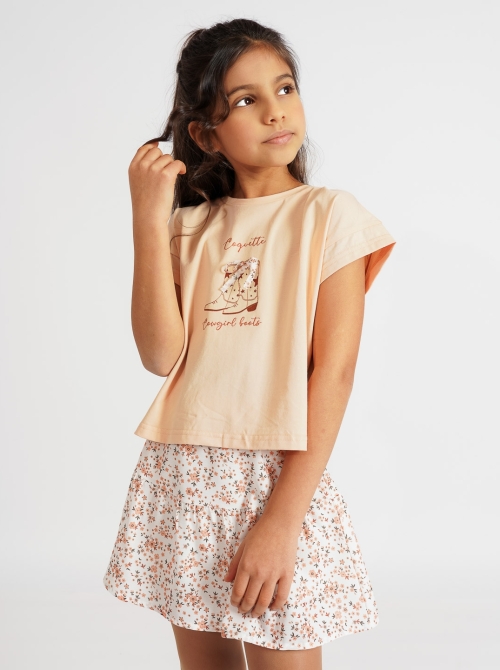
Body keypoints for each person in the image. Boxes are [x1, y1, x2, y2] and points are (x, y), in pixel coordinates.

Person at [103, 17, 396, 670]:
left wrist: (282, 521)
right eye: (245, 99)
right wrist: (148, 219)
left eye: (285, 88)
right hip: (186, 474)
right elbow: (160, 356)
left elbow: (334, 373)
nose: (275, 110)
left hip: (279, 478)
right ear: (206, 134)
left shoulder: (330, 216)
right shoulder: (188, 227)